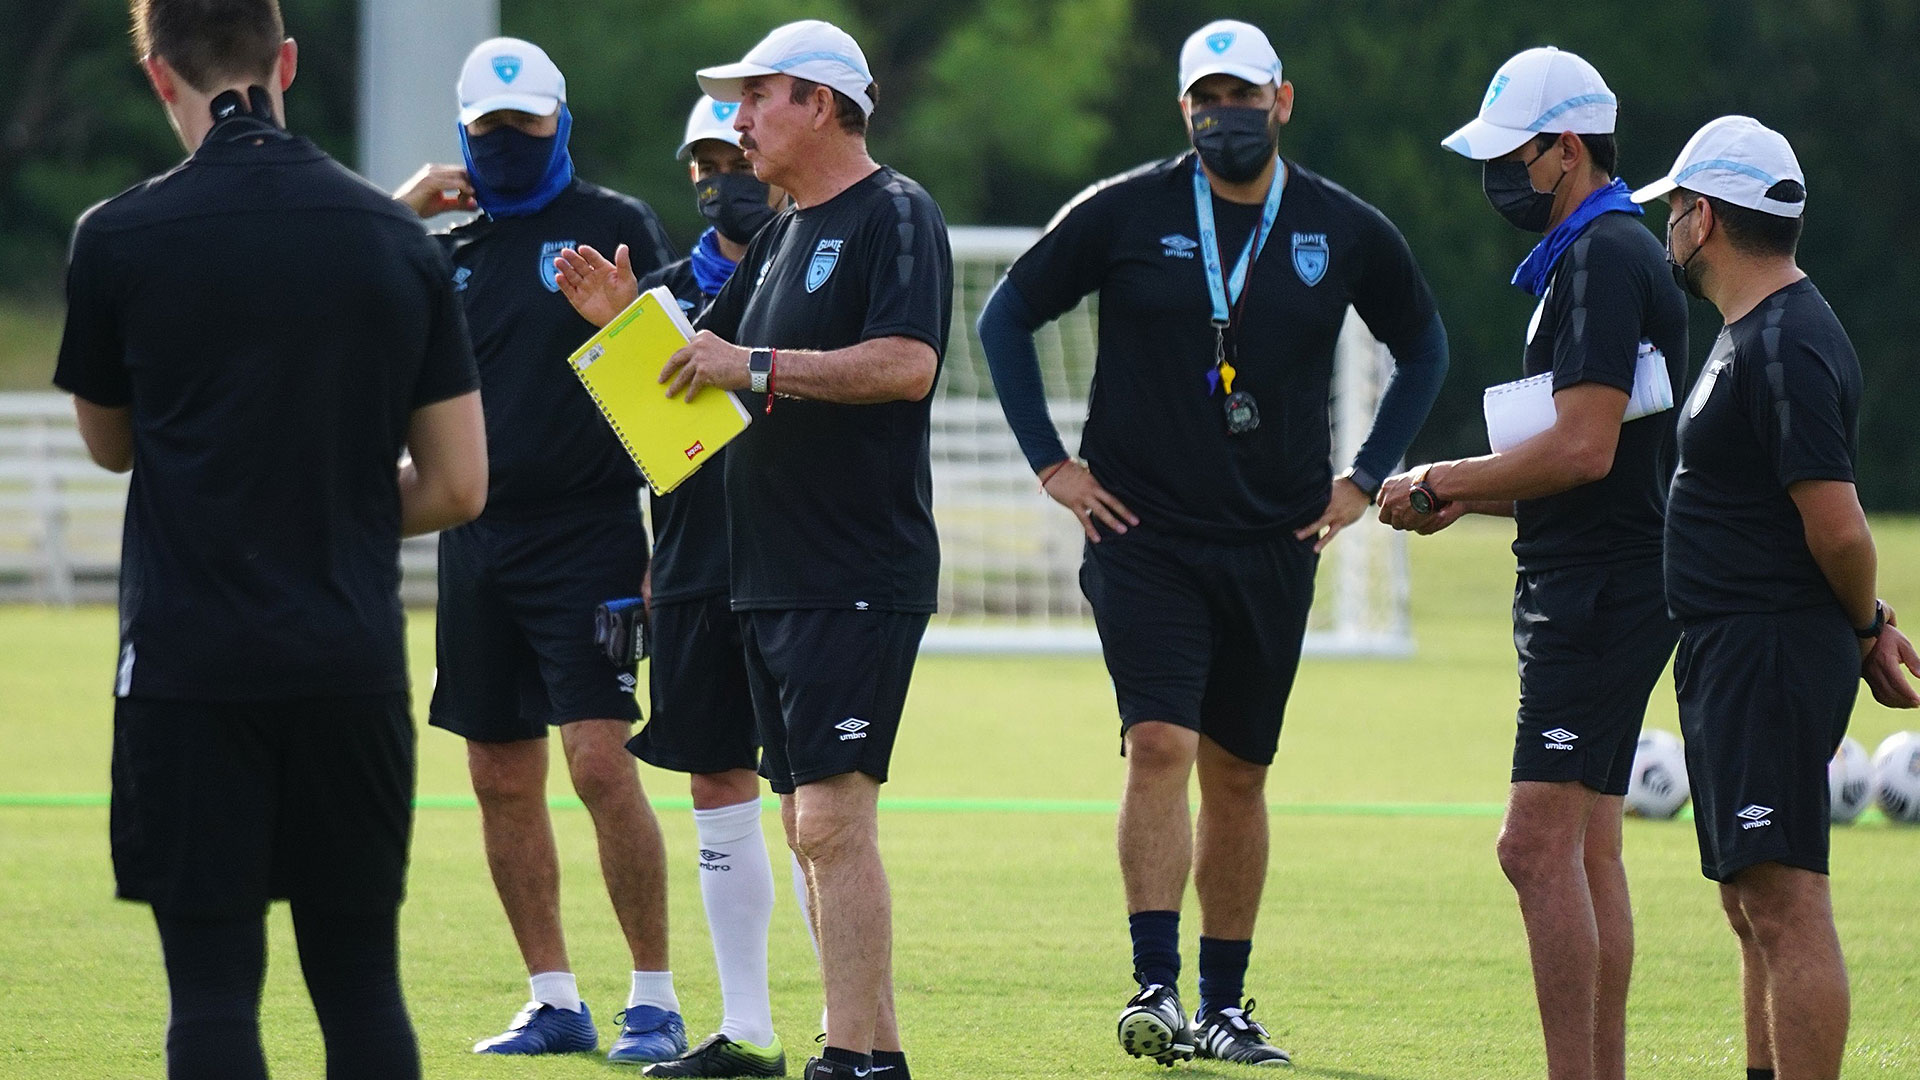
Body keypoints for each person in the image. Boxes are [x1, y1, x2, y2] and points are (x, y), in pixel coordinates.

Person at [975, 19, 1449, 1067]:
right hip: (1141, 531)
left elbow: (1423, 345)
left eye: (1243, 98)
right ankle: (1154, 985)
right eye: (1205, 99)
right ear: (1183, 109)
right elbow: (1004, 318)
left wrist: (1365, 478)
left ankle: (1228, 1007)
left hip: (1276, 538)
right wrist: (1054, 464)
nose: (1223, 116)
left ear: (1283, 102)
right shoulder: (1124, 211)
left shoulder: (1343, 227)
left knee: (1238, 774)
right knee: (1160, 744)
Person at [55, 2, 486, 1077]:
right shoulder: (394, 239)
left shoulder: (116, 237)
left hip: (187, 667)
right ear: (284, 59)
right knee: (358, 987)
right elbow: (458, 484)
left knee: (209, 996)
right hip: (346, 662)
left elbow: (113, 445)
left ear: (161, 77)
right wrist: (326, 497)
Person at [554, 20, 951, 1080]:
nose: (738, 121)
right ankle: (867, 1051)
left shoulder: (896, 213)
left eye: (756, 97)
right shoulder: (780, 232)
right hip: (767, 572)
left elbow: (908, 364)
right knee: (804, 822)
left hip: (856, 566)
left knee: (830, 818)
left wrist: (755, 363)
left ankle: (857, 1061)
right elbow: (697, 371)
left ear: (820, 104)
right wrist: (625, 319)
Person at [1375, 48, 1687, 1080]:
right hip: (1609, 572)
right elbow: (1587, 461)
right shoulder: (1597, 254)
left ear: (1567, 149)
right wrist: (1455, 499)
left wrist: (1440, 477)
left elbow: (1585, 448)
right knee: (1591, 847)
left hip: (1598, 590)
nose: (1496, 176)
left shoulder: (1603, 259)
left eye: (1512, 154)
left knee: (1533, 847)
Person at [391, 36, 686, 1064]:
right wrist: (395, 215)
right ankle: (553, 997)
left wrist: (662, 541)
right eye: (490, 130)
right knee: (497, 774)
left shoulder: (615, 226)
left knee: (602, 764)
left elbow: (675, 388)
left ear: (560, 123)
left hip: (590, 536)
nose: (509, 143)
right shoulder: (442, 251)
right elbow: (331, 307)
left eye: (526, 125)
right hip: (475, 542)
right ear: (465, 136)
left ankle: (654, 996)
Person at [1629, 116, 1920, 1080]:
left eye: (1675, 206)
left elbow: (1837, 527)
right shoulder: (1752, 332)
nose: (1668, 222)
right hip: (1734, 651)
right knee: (1750, 899)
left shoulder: (1787, 338)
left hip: (1768, 652)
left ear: (1704, 218)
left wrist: (1867, 625)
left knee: (1787, 902)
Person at [618, 96, 794, 1080]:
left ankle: (845, 1028)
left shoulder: (814, 276)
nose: (726, 175)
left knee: (817, 800)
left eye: (739, 153)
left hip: (802, 567)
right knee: (717, 787)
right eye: (707, 159)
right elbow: (648, 449)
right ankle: (747, 1027)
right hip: (690, 566)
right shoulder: (655, 297)